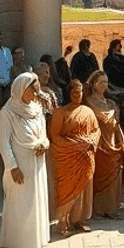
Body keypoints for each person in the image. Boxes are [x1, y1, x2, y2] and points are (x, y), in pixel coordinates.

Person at [0, 71, 51, 248]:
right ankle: (18, 244)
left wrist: (44, 143)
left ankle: (36, 242)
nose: (35, 94)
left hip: (37, 163)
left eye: (36, 90)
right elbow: (4, 142)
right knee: (20, 202)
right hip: (20, 164)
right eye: (31, 90)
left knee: (36, 200)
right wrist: (12, 167)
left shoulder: (36, 109)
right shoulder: (8, 112)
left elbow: (44, 132)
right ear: (21, 89)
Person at [49, 78, 100, 237]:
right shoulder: (60, 112)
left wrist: (91, 141)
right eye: (75, 92)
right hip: (67, 158)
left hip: (85, 157)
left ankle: (80, 220)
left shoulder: (88, 111)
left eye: (81, 92)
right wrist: (76, 145)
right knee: (66, 190)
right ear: (68, 93)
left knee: (85, 187)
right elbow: (55, 137)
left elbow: (96, 130)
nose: (78, 95)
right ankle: (63, 221)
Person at [85, 69, 124, 221]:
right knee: (98, 178)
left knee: (115, 177)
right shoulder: (87, 103)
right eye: (101, 82)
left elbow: (117, 125)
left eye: (106, 82)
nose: (104, 85)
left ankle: (112, 208)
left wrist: (123, 143)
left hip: (113, 143)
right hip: (98, 146)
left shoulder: (111, 103)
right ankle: (98, 210)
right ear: (93, 84)